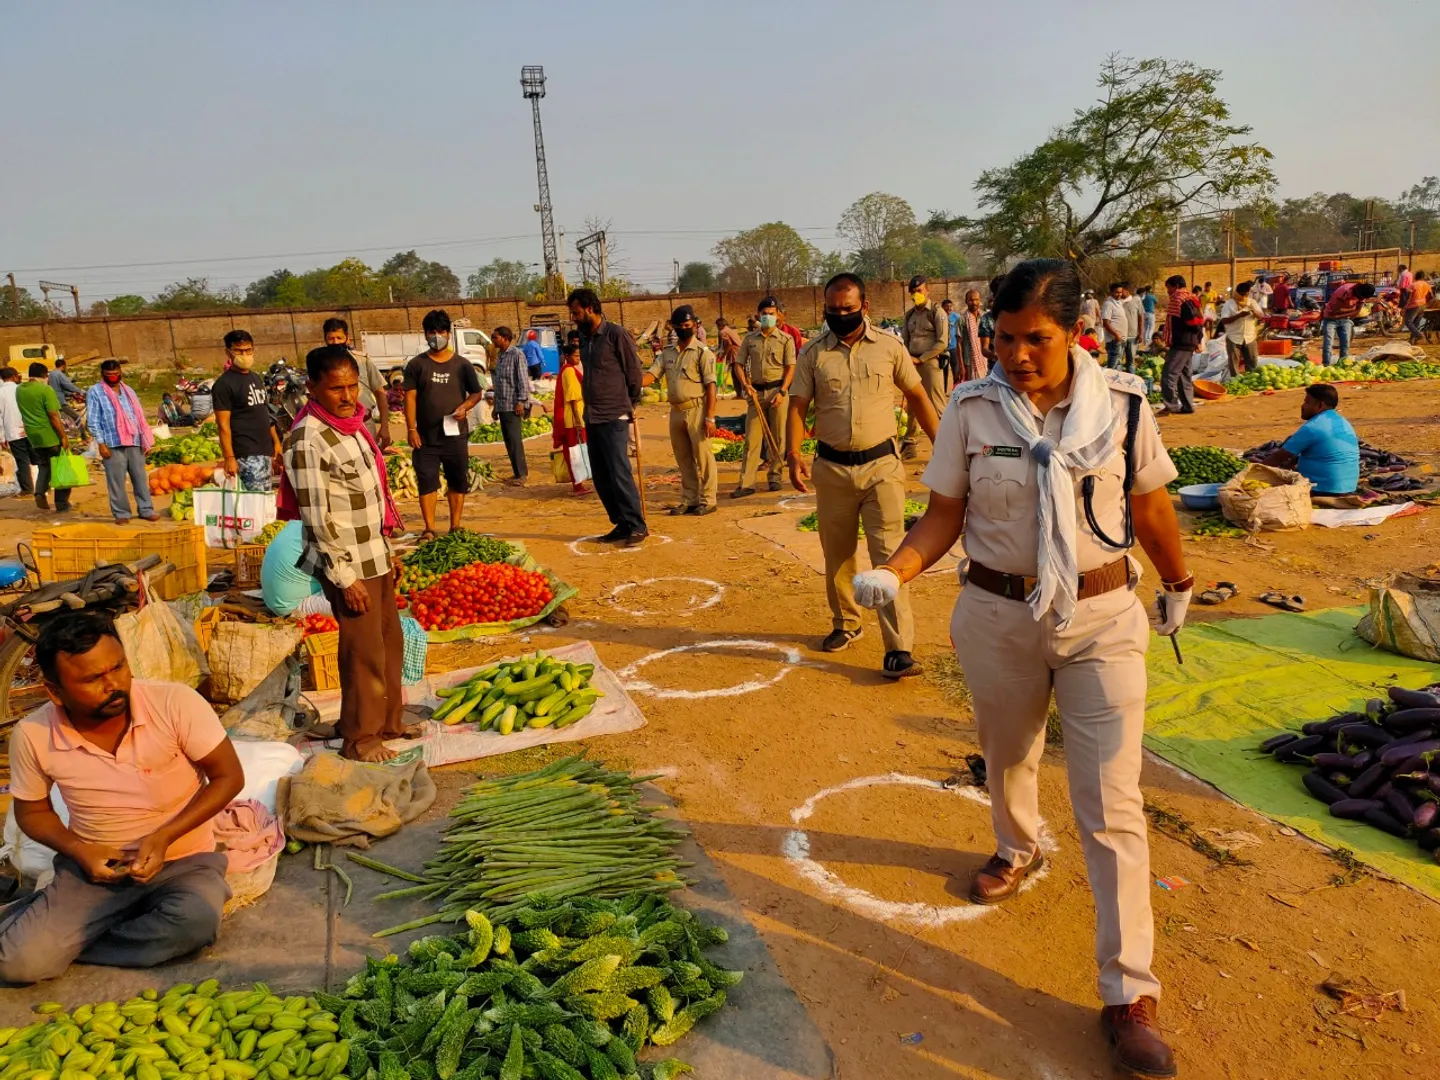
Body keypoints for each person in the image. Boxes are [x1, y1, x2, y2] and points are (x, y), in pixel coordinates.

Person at [852, 258, 1189, 1079]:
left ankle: (1127, 993)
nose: (1015, 354)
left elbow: (1149, 505)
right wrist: (895, 570)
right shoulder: (969, 409)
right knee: (1008, 753)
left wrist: (1178, 582)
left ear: (1073, 333)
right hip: (998, 614)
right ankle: (1016, 845)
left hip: (1102, 617)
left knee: (1112, 803)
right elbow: (944, 516)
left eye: (1033, 339)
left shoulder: (1126, 403)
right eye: (1003, 338)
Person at [0, 612, 244, 984]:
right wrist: (80, 850)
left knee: (195, 923)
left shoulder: (175, 703)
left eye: (118, 667)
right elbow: (32, 813)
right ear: (54, 691)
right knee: (19, 965)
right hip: (97, 872)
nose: (113, 684)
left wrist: (164, 837)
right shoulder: (33, 734)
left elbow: (229, 776)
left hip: (185, 859)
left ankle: (64, 940)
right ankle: (48, 937)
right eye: (92, 679)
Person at [787, 272, 939, 679]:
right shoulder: (813, 354)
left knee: (887, 555)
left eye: (848, 310)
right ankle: (846, 623)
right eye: (833, 311)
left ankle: (898, 649)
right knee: (837, 553)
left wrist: (943, 446)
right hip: (832, 468)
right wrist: (793, 453)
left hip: (881, 469)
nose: (841, 316)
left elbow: (918, 396)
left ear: (865, 307)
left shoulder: (889, 348)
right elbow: (798, 405)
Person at [280, 345, 408, 762]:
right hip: (347, 563)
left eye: (353, 385)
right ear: (313, 387)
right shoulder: (308, 440)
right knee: (362, 652)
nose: (348, 395)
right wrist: (344, 577)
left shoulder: (353, 427)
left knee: (389, 642)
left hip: (374, 553)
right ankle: (360, 738)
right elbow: (318, 519)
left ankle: (389, 721)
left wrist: (388, 552)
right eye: (337, 388)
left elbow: (370, 500)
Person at [567, 288, 647, 546]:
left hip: (614, 414)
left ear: (590, 308)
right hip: (593, 415)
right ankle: (621, 523)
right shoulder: (584, 337)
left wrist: (631, 402)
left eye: (577, 312)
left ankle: (636, 524)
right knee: (601, 476)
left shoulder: (616, 334)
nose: (574, 317)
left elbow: (633, 371)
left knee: (618, 471)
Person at [404, 309, 484, 539]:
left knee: (457, 480)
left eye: (441, 331)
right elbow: (410, 397)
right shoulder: (416, 365)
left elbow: (476, 393)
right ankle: (429, 528)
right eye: (432, 331)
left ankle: (455, 526)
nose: (436, 336)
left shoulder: (463, 365)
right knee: (427, 482)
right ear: (425, 334)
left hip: (455, 436)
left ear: (448, 334)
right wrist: (411, 428)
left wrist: (464, 407)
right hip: (426, 438)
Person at [644, 305, 718, 516]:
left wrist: (710, 417)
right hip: (675, 412)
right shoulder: (667, 354)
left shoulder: (703, 353)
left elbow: (711, 386)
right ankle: (690, 499)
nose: (685, 329)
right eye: (681, 326)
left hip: (697, 409)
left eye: (688, 325)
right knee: (683, 459)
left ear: (694, 325)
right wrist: (630, 380)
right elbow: (651, 376)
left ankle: (709, 499)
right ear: (674, 328)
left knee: (703, 457)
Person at [733, 297, 796, 496]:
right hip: (756, 394)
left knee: (778, 437)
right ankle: (746, 483)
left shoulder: (785, 339)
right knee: (752, 439)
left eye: (771, 313)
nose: (768, 317)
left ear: (777, 316)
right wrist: (746, 385)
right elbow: (739, 364)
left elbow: (790, 367)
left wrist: (783, 391)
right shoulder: (750, 339)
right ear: (759, 315)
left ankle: (775, 477)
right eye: (764, 313)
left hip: (777, 392)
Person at [86, 360, 159, 525]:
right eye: (109, 375)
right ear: (103, 375)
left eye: (116, 374)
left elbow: (138, 416)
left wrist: (144, 439)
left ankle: (146, 509)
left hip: (134, 440)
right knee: (116, 481)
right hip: (112, 443)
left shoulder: (128, 390)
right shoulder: (95, 392)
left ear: (120, 372)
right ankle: (121, 513)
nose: (113, 377)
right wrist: (101, 443)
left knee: (140, 477)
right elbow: (93, 420)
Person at [213, 330, 281, 492]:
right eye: (238, 351)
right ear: (228, 352)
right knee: (254, 501)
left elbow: (265, 414)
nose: (244, 354)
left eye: (248, 350)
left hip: (264, 451)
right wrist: (229, 457)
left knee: (265, 500)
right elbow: (223, 424)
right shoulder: (224, 385)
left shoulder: (255, 378)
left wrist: (276, 443)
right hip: (246, 453)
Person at [1262, 383, 1360, 496]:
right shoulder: (1342, 422)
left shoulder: (1313, 427)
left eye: (1307, 402)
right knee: (1293, 444)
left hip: (1323, 489)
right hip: (1349, 486)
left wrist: (1252, 475)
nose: (1302, 406)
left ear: (1320, 406)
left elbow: (1277, 458)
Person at [898, 275, 949, 460]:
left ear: (927, 290)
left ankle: (947, 446)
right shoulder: (909, 315)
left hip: (930, 363)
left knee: (937, 405)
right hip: (911, 363)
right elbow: (904, 341)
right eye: (912, 292)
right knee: (912, 406)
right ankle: (909, 445)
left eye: (919, 291)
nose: (915, 295)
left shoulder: (937, 312)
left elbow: (942, 342)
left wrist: (921, 359)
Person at [323, 318, 390, 447]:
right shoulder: (321, 366)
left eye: (339, 338)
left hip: (365, 425)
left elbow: (380, 394)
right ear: (325, 340)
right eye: (331, 338)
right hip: (335, 427)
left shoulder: (362, 361)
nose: (335, 342)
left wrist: (384, 426)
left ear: (347, 338)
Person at [17, 363, 71, 512]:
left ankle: (39, 492)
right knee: (60, 467)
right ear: (43, 375)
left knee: (44, 466)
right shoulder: (46, 390)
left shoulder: (20, 390)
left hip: (33, 437)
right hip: (49, 435)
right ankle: (62, 503)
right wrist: (63, 436)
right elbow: (53, 416)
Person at [490, 327, 533, 487]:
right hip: (502, 404)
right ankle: (516, 473)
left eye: (495, 337)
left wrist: (521, 402)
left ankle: (522, 474)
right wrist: (495, 407)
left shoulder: (517, 355)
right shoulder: (500, 356)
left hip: (513, 405)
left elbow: (522, 380)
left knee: (515, 440)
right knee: (508, 441)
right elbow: (499, 384)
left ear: (505, 338)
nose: (493, 340)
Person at [1160, 276, 1204, 415]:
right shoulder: (1189, 299)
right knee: (1184, 375)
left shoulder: (1181, 300)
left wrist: (1197, 339)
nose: (1168, 291)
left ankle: (1171, 405)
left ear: (1176, 286)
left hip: (1182, 342)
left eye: (1169, 288)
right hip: (1187, 342)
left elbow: (1195, 322)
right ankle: (1188, 406)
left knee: (1169, 374)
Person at [551, 341, 590, 496]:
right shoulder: (569, 372)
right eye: (575, 356)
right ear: (567, 356)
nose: (578, 358)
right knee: (575, 452)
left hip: (573, 417)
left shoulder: (568, 370)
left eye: (579, 356)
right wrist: (578, 422)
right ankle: (578, 485)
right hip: (574, 418)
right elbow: (573, 399)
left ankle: (579, 484)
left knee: (575, 452)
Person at [1320, 281, 1375, 366]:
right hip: (1330, 318)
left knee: (1345, 344)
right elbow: (1335, 310)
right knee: (1328, 343)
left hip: (1344, 319)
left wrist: (1343, 314)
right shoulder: (1345, 291)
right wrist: (1352, 309)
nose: (1360, 298)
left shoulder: (1363, 294)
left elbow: (1356, 312)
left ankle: (1343, 365)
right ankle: (1326, 365)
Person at [1218, 280, 1264, 376]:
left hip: (1249, 337)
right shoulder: (1229, 304)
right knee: (1234, 363)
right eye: (1242, 294)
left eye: (1246, 294)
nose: (1244, 297)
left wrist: (1253, 311)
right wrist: (1239, 315)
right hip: (1234, 337)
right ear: (1237, 293)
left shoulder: (1252, 302)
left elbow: (1261, 316)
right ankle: (1235, 380)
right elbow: (1224, 320)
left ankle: (1251, 380)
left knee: (1252, 362)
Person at [0, 367, 33, 498]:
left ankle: (28, 489)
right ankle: (44, 485)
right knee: (38, 458)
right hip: (29, 429)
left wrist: (2, 437)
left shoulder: (1, 393)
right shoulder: (23, 389)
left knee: (22, 460)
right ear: (14, 377)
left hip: (13, 432)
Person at [956, 289, 989, 383]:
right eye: (971, 300)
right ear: (966, 301)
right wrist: (961, 366)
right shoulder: (962, 320)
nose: (974, 302)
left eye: (976, 299)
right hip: (969, 362)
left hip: (984, 360)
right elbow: (959, 344)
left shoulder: (984, 317)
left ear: (980, 300)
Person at [1101, 283, 1129, 371]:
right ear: (1111, 292)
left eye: (1120, 292)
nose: (1119, 294)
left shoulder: (1119, 303)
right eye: (1117, 292)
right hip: (1114, 340)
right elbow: (1106, 322)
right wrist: (1116, 335)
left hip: (1120, 339)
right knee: (1112, 368)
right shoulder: (1108, 304)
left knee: (1118, 366)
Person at [48, 357, 84, 425]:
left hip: (54, 400)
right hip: (60, 401)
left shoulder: (51, 374)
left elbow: (57, 388)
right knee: (76, 417)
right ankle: (82, 434)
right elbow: (68, 385)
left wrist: (70, 394)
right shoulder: (59, 374)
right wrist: (82, 392)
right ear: (63, 366)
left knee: (64, 419)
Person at [715, 317, 742, 396]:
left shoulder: (723, 332)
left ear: (720, 325)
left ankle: (739, 393)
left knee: (735, 374)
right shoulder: (729, 330)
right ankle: (740, 393)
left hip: (734, 353)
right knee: (737, 373)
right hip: (739, 352)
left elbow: (729, 345)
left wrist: (723, 356)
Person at [1404, 271, 1432, 345]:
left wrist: (1405, 307)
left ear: (1416, 276)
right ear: (1423, 277)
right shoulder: (1427, 285)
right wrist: (1427, 304)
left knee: (1408, 321)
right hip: (1423, 305)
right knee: (1416, 323)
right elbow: (1431, 296)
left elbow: (1408, 297)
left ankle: (1419, 335)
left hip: (1414, 305)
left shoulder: (1412, 285)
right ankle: (1412, 340)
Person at [1122, 281, 1143, 372]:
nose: (1119, 293)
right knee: (1118, 361)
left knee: (1130, 362)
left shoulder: (1137, 300)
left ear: (1127, 291)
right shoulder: (1116, 301)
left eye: (1121, 290)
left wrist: (1141, 333)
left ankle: (1131, 379)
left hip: (1132, 336)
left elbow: (1141, 316)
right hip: (1120, 336)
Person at [942, 298, 960, 390]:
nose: (949, 308)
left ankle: (955, 388)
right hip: (942, 348)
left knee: (955, 368)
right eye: (946, 306)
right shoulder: (939, 317)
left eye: (950, 306)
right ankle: (943, 390)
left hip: (953, 347)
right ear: (942, 307)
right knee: (943, 369)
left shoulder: (956, 317)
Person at [1139, 285, 1158, 351]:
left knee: (1145, 328)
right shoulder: (1152, 296)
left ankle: (1144, 341)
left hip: (1144, 313)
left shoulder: (1143, 297)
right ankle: (1148, 341)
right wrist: (1153, 294)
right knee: (1151, 328)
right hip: (1150, 313)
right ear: (1150, 290)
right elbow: (1156, 301)